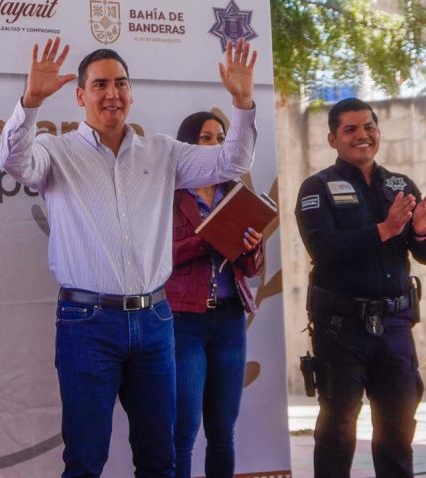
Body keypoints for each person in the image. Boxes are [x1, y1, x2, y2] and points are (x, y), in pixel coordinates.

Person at [0, 36, 258, 477]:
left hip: (155, 321)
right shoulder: (56, 153)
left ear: (131, 93)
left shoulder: (163, 152)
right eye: (99, 84)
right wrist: (30, 102)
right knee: (85, 460)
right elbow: (13, 161)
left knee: (159, 460)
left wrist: (243, 103)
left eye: (120, 83)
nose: (112, 93)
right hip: (87, 324)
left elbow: (232, 163)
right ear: (80, 95)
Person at [294, 97, 426, 478]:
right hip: (341, 328)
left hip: (395, 326)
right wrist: (384, 229)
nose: (362, 135)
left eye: (369, 127)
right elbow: (323, 249)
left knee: (397, 431)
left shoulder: (400, 185)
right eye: (350, 129)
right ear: (333, 139)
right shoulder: (317, 187)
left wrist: (421, 231)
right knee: (337, 431)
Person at [165, 111, 263, 478]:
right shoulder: (169, 194)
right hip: (183, 321)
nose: (215, 145)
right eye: (205, 138)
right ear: (187, 145)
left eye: (221, 138)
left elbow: (251, 268)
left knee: (223, 430)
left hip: (230, 320)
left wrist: (251, 246)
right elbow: (158, 257)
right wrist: (209, 236)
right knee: (184, 429)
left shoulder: (235, 193)